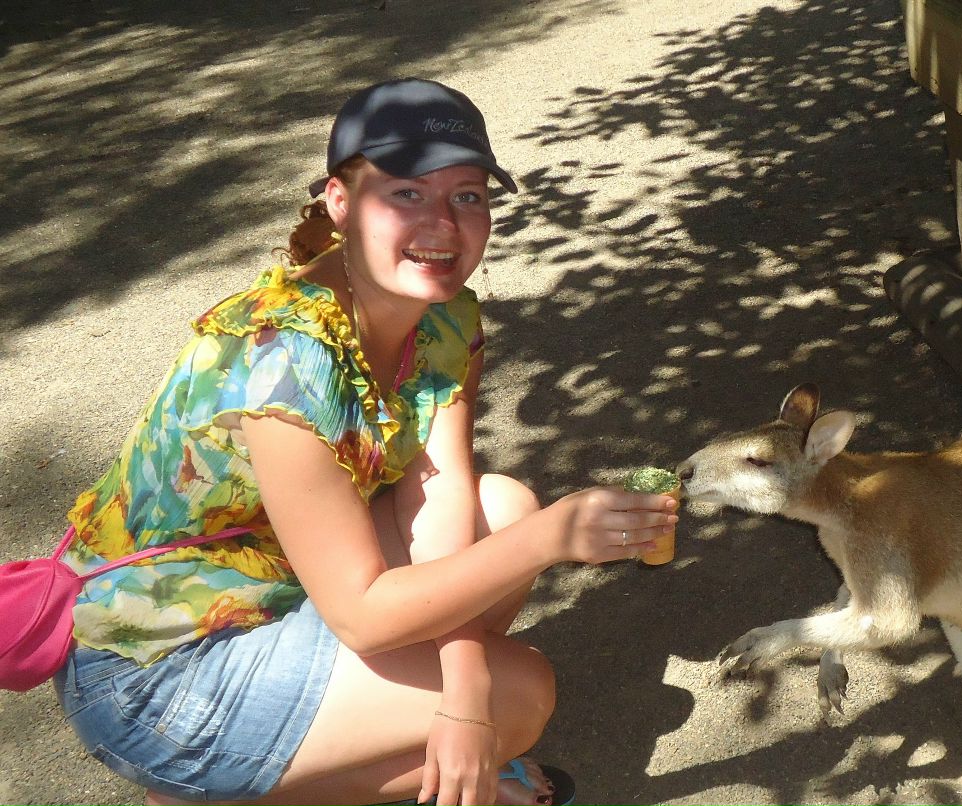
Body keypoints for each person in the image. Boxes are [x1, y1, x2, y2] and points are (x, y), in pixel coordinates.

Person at [53, 77, 677, 806]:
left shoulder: (444, 320)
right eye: (406, 194)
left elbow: (438, 507)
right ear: (339, 202)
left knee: (499, 509)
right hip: (156, 663)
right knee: (524, 693)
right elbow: (364, 615)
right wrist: (549, 544)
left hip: (276, 587)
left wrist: (464, 699)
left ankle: (362, 752)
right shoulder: (283, 356)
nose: (443, 224)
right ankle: (202, 791)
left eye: (468, 195)